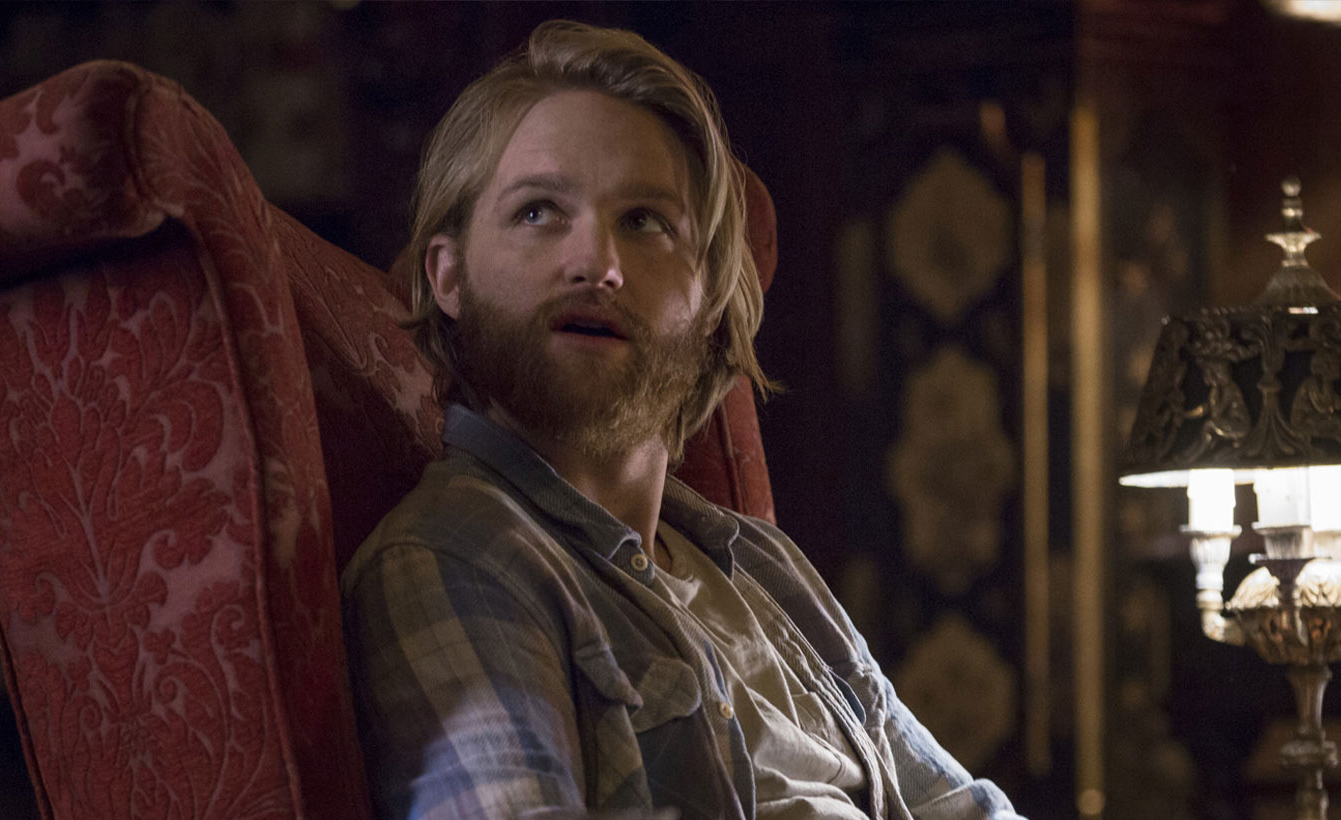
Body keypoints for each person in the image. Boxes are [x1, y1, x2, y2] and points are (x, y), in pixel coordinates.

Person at [342, 20, 1024, 820]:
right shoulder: (459, 558)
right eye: (537, 213)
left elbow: (958, 805)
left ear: (709, 303)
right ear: (449, 276)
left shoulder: (762, 566)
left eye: (645, 222)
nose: (597, 263)